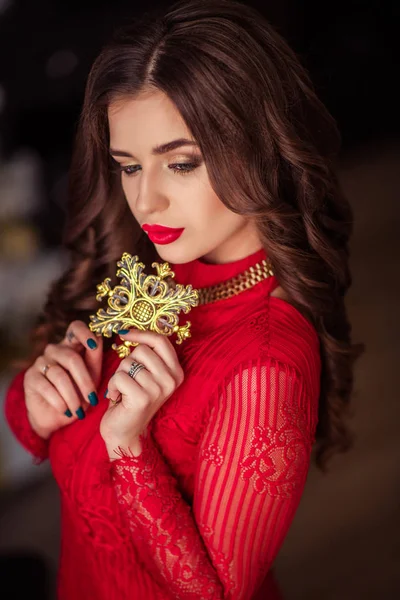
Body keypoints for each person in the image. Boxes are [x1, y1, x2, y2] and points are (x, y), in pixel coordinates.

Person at [4, 1, 364, 598]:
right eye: (128, 166)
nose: (147, 203)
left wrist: (129, 446)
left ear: (262, 146)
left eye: (181, 163)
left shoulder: (265, 365)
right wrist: (38, 403)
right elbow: (32, 425)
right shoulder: (145, 271)